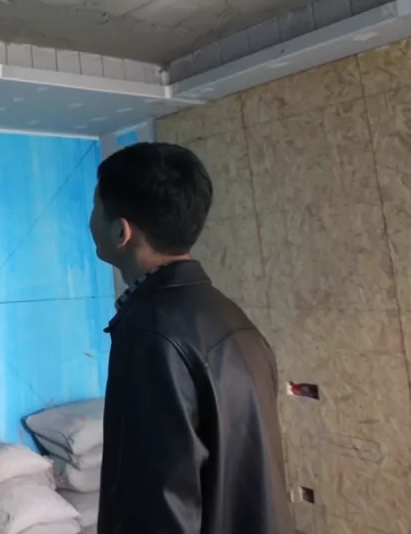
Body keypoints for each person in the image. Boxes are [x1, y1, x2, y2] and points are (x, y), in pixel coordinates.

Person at [88, 142, 294, 534]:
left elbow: (156, 504)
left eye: (95, 208)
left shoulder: (151, 334)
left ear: (121, 231)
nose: (90, 220)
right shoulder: (228, 315)